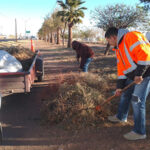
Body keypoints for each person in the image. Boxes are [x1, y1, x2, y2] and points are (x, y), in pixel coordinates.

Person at [105, 27, 150, 140]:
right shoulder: (118, 49)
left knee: (137, 100)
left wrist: (139, 74)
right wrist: (119, 87)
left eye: (108, 40)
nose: (108, 43)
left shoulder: (131, 36)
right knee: (125, 94)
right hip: (134, 76)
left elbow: (145, 55)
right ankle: (121, 117)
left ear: (113, 37)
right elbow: (121, 70)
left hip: (146, 73)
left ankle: (139, 132)